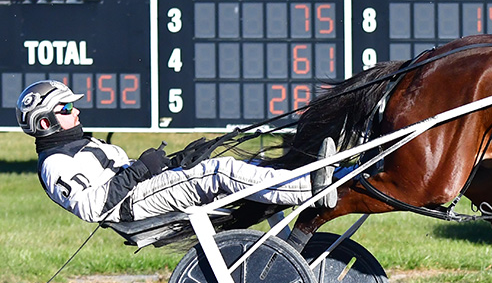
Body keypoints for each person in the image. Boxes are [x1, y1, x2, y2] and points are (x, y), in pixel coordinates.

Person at [15, 79, 338, 223]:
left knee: (237, 161)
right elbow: (91, 207)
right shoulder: (56, 163)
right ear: (45, 123)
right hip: (130, 207)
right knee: (219, 171)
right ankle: (312, 189)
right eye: (67, 106)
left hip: (140, 192)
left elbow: (130, 175)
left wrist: (176, 161)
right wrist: (142, 169)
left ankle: (322, 177)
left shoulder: (85, 144)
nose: (76, 111)